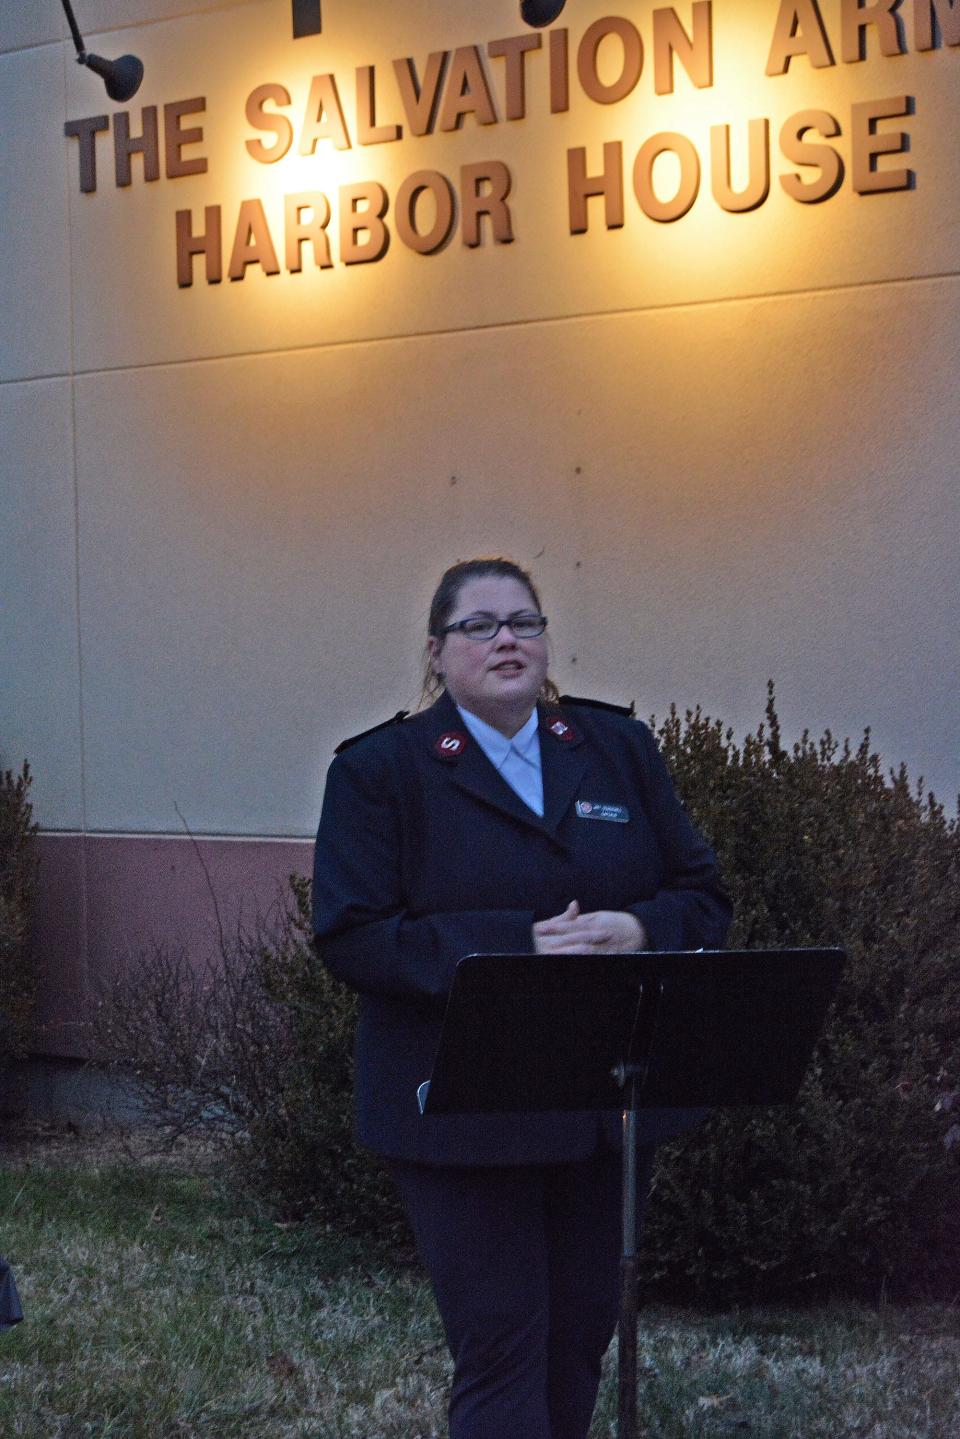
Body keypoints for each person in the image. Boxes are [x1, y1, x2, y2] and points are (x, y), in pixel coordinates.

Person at [312, 558, 732, 1439]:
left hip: (597, 1102)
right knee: (503, 1343)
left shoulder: (617, 748)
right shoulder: (382, 769)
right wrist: (512, 944)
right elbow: (352, 933)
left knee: (580, 1339)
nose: (508, 639)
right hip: (458, 1106)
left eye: (526, 622)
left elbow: (703, 894)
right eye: (481, 625)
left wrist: (637, 927)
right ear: (436, 651)